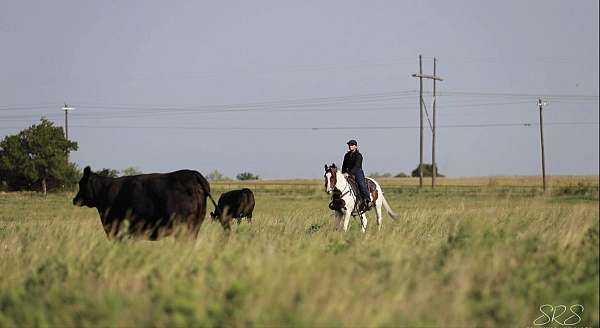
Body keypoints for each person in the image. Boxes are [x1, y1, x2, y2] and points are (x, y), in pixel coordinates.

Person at [342, 139, 372, 210]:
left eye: (352, 145)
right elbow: (344, 165)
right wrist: (343, 173)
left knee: (361, 184)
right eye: (349, 145)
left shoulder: (359, 155)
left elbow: (357, 165)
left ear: (356, 146)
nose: (350, 146)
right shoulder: (346, 155)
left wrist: (349, 173)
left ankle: (368, 200)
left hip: (357, 172)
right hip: (347, 173)